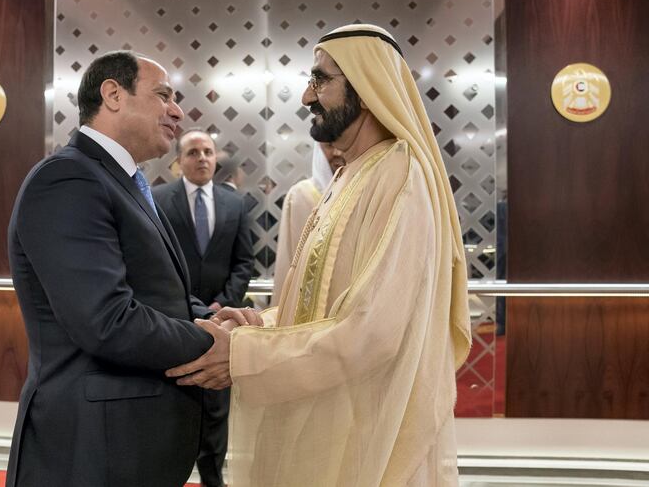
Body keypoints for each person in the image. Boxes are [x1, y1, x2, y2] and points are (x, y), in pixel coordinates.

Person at [167, 24, 472, 486]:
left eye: (321, 80)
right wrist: (260, 325)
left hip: (371, 436)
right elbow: (321, 304)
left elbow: (374, 331)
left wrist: (246, 356)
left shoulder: (401, 176)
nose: (307, 97)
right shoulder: (348, 176)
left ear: (366, 89)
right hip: (327, 418)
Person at [6, 51, 219, 487]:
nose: (177, 110)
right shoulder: (68, 179)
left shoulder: (125, 182)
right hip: (92, 451)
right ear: (113, 94)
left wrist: (214, 318)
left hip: (128, 444)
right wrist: (212, 342)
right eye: (163, 95)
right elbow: (105, 320)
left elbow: (151, 292)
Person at [153, 130, 254, 487]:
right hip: (174, 319)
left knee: (216, 409)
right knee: (173, 400)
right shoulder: (158, 199)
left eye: (208, 152)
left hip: (222, 326)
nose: (202, 158)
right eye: (193, 152)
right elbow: (156, 261)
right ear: (179, 161)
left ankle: (213, 479)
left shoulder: (236, 204)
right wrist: (186, 307)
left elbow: (244, 263)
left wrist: (222, 305)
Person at [271, 141, 345, 304]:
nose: (337, 152)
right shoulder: (299, 195)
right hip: (305, 302)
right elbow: (288, 259)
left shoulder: (361, 192)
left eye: (342, 142)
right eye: (329, 145)